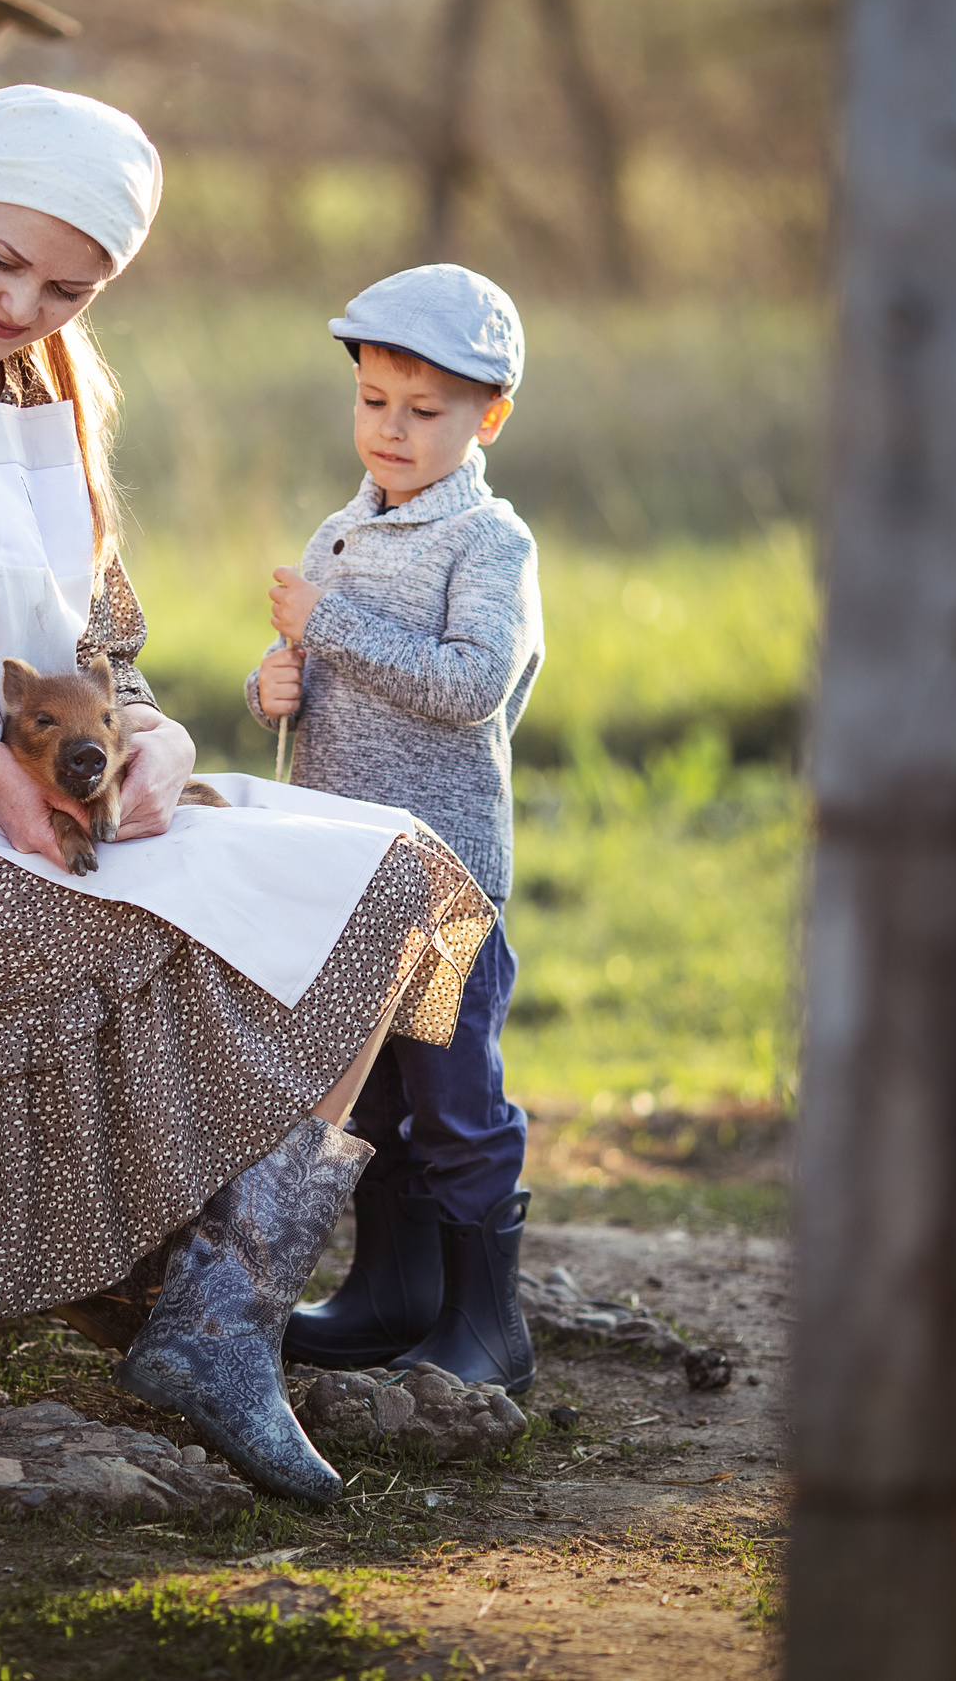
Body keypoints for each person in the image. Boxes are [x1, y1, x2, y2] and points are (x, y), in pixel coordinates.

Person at [0, 86, 495, 1503]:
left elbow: (98, 650)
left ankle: (223, 1305)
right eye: (1, 259)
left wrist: (154, 747)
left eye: (69, 287)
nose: (24, 304)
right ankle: (186, 1293)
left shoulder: (61, 387)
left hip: (38, 794)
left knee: (391, 874)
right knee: (192, 934)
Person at [250, 266, 545, 1394]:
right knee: (372, 1089)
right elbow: (330, 669)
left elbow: (469, 684)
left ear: (488, 419)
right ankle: (393, 1293)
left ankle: (487, 1326)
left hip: (439, 885)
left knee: (452, 1095)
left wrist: (332, 624)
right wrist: (275, 681)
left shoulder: (489, 546)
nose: (394, 430)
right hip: (349, 874)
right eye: (376, 402)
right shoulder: (343, 527)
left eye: (426, 413)